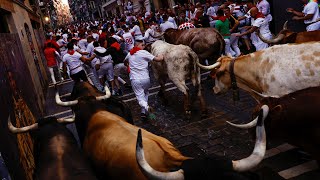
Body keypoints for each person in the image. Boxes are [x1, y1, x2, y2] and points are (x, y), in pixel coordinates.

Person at [125, 39, 164, 120]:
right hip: (145, 79)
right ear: (136, 45)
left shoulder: (129, 54)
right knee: (145, 93)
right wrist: (161, 54)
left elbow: (125, 61)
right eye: (142, 45)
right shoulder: (144, 53)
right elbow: (158, 59)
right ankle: (143, 112)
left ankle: (146, 107)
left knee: (140, 97)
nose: (144, 46)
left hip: (135, 79)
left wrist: (129, 66)